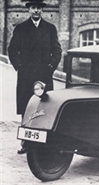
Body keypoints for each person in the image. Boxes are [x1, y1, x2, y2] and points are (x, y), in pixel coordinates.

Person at [8, 0, 62, 154]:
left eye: (39, 8)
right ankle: (25, 143)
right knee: (27, 108)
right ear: (29, 10)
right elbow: (12, 50)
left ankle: (43, 143)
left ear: (42, 10)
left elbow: (57, 50)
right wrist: (19, 67)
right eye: (33, 8)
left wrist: (51, 67)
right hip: (26, 76)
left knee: (44, 108)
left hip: (44, 76)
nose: (36, 11)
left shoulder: (50, 28)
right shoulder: (21, 28)